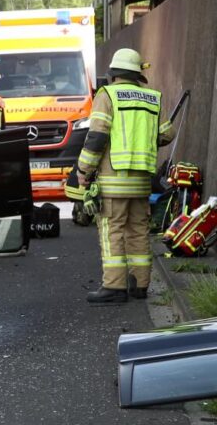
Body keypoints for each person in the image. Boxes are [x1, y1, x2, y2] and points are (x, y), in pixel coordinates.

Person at [77, 48, 174, 303]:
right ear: (137, 74)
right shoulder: (153, 97)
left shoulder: (107, 95)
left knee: (112, 232)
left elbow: (97, 137)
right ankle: (140, 285)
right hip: (141, 182)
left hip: (114, 181)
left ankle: (114, 287)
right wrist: (142, 140)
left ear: (114, 73)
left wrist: (83, 170)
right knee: (138, 231)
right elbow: (167, 134)